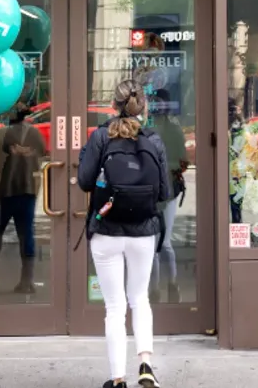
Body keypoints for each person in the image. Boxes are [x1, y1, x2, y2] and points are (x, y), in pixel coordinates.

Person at [77, 80, 173, 388]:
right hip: (143, 231)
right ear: (142, 106)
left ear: (114, 105)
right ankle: (145, 365)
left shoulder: (101, 137)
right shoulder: (153, 140)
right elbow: (164, 192)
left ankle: (117, 378)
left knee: (114, 307)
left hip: (106, 230)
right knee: (139, 298)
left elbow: (84, 182)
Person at [0, 102, 46, 293]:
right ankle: (27, 281)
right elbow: (42, 155)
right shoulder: (36, 134)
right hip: (27, 192)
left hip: (2, 194)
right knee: (26, 235)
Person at [148, 89, 188, 303]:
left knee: (165, 242)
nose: (156, 109)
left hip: (169, 190)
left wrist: (168, 167)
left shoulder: (173, 130)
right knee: (153, 242)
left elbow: (183, 162)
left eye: (159, 104)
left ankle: (172, 285)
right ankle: (154, 289)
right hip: (150, 190)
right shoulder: (147, 130)